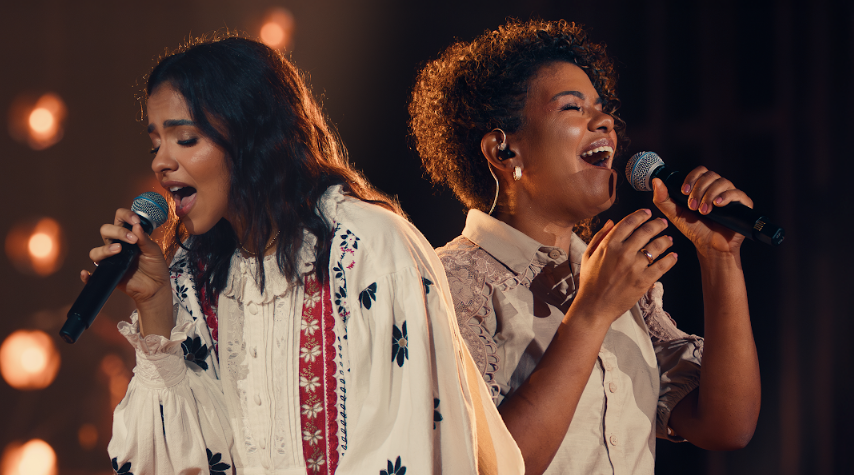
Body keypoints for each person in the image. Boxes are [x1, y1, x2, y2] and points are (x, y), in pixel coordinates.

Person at [83, 35, 523, 474]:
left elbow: (405, 448)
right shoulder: (192, 273)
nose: (160, 162)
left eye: (185, 138)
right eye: (155, 144)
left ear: (252, 133)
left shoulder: (367, 248)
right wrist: (155, 309)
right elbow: (174, 460)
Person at [408, 19, 761, 475]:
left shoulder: (617, 280)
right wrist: (592, 313)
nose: (605, 122)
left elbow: (726, 426)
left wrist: (721, 258)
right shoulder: (448, 284)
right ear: (503, 151)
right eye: (573, 107)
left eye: (603, 108)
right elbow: (488, 464)